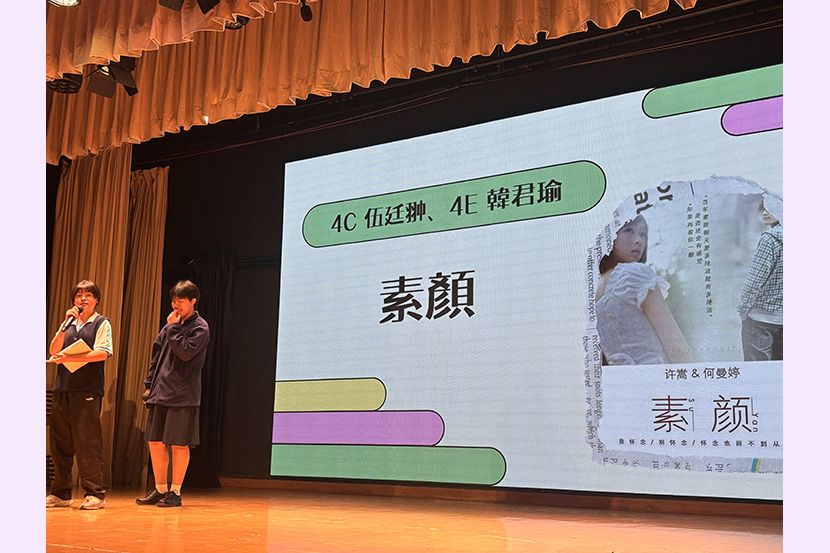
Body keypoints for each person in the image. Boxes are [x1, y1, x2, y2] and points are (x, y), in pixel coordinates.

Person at [136, 280, 210, 508]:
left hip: (183, 394)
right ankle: (160, 489)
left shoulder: (200, 327)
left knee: (179, 444)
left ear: (193, 301)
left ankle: (175, 492)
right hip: (160, 391)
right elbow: (156, 355)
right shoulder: (171, 325)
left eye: (181, 300)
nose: (175, 305)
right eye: (173, 300)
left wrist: (173, 328)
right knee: (155, 442)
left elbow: (185, 353)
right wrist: (149, 384)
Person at [46, 280, 113, 510]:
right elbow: (54, 350)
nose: (83, 299)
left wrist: (71, 358)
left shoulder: (102, 323)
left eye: (88, 295)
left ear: (96, 300)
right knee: (60, 443)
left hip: (87, 389)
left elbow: (102, 353)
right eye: (78, 295)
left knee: (87, 442)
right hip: (63, 388)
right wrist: (64, 325)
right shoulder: (69, 323)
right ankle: (61, 493)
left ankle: (95, 494)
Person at [595, 215, 691, 365]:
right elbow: (676, 345)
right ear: (610, 236)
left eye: (642, 234)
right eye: (629, 230)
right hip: (658, 374)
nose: (639, 240)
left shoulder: (593, 290)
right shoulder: (635, 274)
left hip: (623, 378)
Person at [737, 196, 783, 361]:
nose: (764, 213)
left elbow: (754, 282)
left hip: (760, 320)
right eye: (763, 209)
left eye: (770, 208)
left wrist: (743, 311)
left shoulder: (769, 240)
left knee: (757, 373)